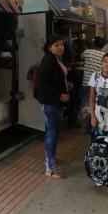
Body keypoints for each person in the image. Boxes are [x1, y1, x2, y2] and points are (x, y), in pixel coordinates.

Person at [36, 34, 70, 179]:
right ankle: (50, 169)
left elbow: (57, 79)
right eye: (56, 45)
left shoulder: (55, 59)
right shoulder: (48, 61)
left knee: (54, 132)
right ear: (49, 47)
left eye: (62, 44)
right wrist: (59, 95)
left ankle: (52, 158)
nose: (60, 47)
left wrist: (67, 85)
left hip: (55, 102)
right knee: (52, 133)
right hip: (51, 103)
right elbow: (42, 85)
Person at [80, 37, 106, 128]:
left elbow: (81, 58)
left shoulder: (87, 52)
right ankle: (96, 126)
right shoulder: (105, 55)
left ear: (93, 44)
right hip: (99, 85)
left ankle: (88, 127)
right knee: (98, 106)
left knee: (87, 107)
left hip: (87, 84)